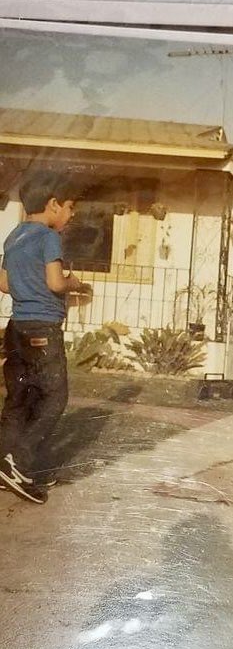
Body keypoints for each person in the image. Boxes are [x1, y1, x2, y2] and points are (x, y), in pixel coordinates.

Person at [0, 171, 92, 503]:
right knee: (54, 398)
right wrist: (74, 282)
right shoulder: (48, 237)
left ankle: (5, 464)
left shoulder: (13, 236)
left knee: (19, 398)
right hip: (43, 329)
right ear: (53, 205)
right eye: (69, 208)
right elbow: (55, 283)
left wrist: (28, 286)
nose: (70, 215)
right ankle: (19, 463)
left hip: (17, 328)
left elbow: (5, 284)